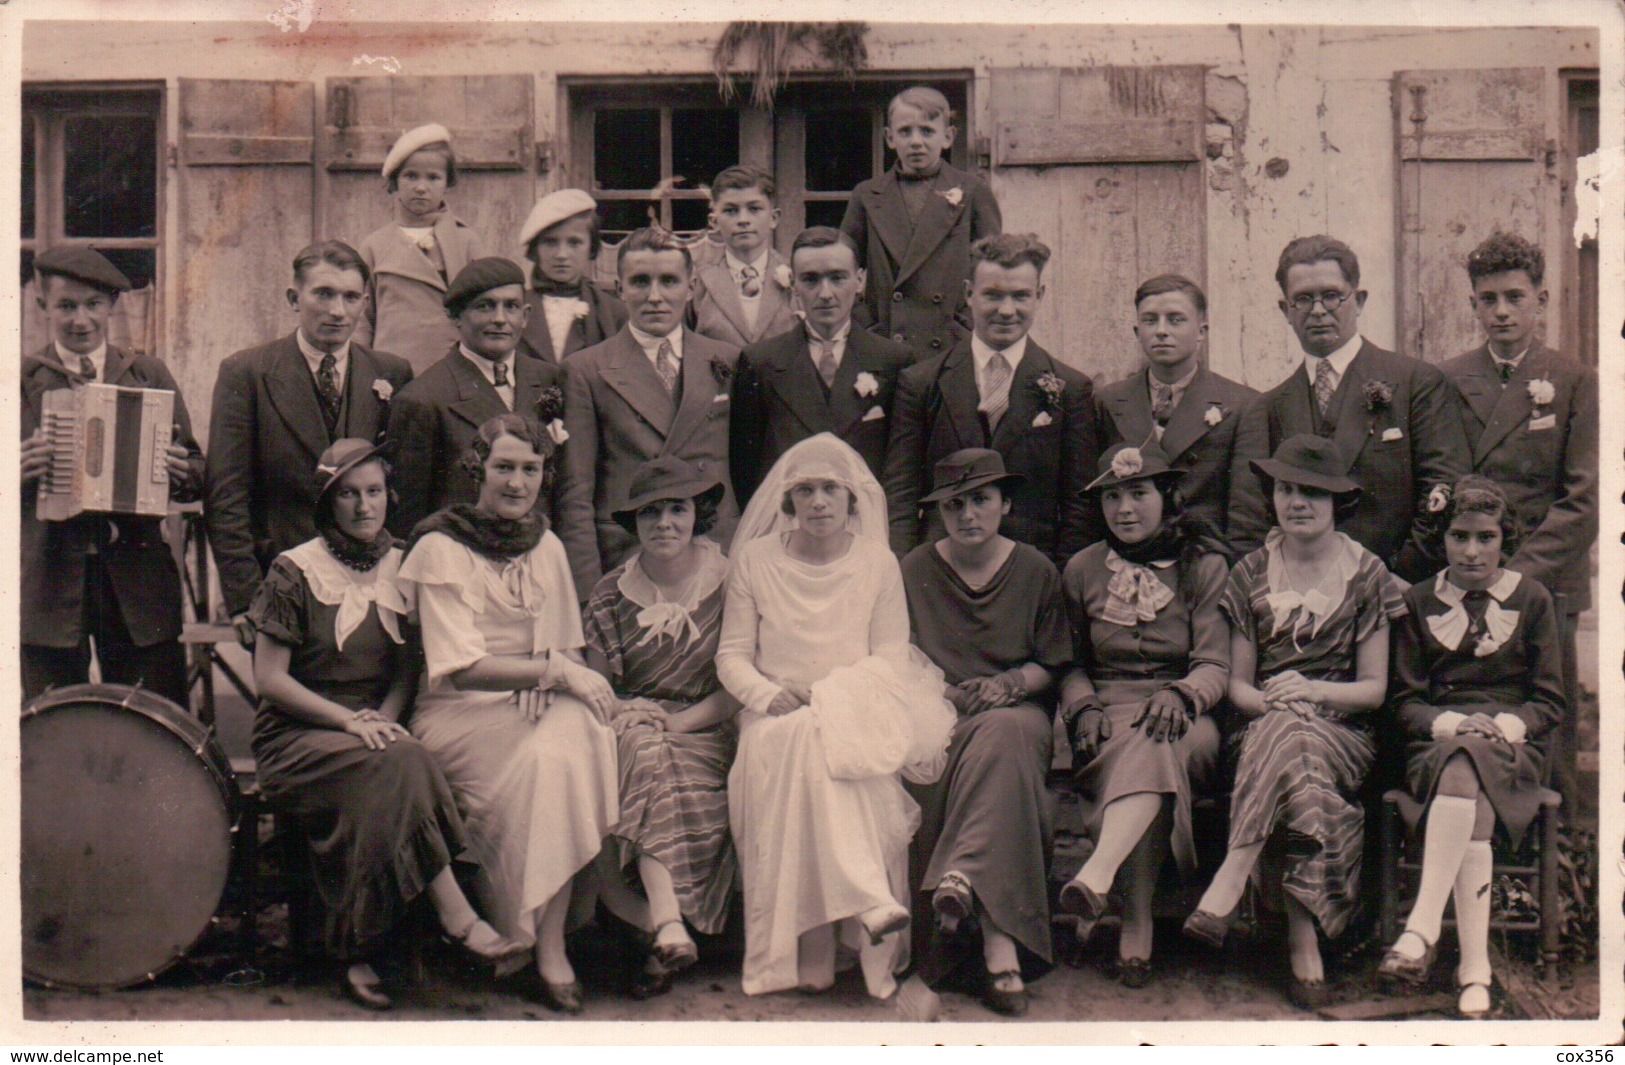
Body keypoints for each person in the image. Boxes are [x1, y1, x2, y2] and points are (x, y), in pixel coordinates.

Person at [247, 438, 522, 1010]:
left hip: (376, 730)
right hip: (299, 732)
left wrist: (386, 719)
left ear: (388, 497)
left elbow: (407, 669)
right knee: (400, 761)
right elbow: (270, 680)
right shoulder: (294, 569)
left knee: (395, 764)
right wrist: (352, 722)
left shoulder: (404, 562)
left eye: (373, 492)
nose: (363, 506)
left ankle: (359, 949)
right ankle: (456, 915)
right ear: (327, 502)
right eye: (347, 495)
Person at [395, 413, 620, 1014]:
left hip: (533, 697)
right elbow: (459, 667)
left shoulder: (544, 543)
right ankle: (531, 940)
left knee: (575, 736)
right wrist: (551, 672)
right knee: (552, 754)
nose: (517, 483)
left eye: (530, 469)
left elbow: (564, 646)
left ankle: (545, 943)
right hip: (458, 712)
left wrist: (552, 674)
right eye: (503, 468)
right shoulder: (440, 545)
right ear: (478, 469)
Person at [717, 433, 955, 999]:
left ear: (853, 501)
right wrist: (767, 695)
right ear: (788, 501)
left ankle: (817, 950)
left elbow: (890, 654)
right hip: (773, 710)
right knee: (800, 737)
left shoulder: (877, 562)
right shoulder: (754, 560)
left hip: (858, 702)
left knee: (823, 740)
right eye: (806, 491)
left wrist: (830, 696)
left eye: (831, 490)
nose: (819, 502)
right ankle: (863, 903)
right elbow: (731, 655)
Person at [1182, 434, 1405, 1010]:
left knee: (1299, 737)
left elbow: (1375, 691)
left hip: (1345, 731)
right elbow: (1237, 686)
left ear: (1338, 503)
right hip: (1261, 728)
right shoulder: (1250, 571)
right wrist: (1278, 705)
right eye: (1285, 490)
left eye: (1312, 492)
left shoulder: (1367, 574)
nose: (1296, 502)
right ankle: (1304, 942)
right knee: (1289, 739)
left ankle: (1234, 875)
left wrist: (1311, 690)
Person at [1378, 476, 1566, 1019]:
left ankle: (1422, 929)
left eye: (1485, 537)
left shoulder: (1532, 599)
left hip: (1514, 741)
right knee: (1462, 765)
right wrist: (1455, 723)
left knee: (1469, 766)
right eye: (1459, 536)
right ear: (1443, 540)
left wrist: (1499, 725)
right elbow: (1405, 703)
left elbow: (1550, 701)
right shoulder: (1418, 602)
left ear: (1504, 539)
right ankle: (1474, 970)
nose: (1472, 551)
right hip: (1436, 741)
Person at [898, 449, 1071, 1016]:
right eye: (955, 503)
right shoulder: (914, 570)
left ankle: (964, 886)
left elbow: (1053, 662)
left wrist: (1011, 684)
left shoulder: (1036, 570)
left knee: (1006, 735)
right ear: (939, 512)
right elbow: (895, 657)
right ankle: (1000, 948)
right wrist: (945, 692)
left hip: (1016, 713)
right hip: (937, 713)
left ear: (1005, 503)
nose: (968, 514)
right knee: (982, 749)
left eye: (981, 500)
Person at [1055, 441, 1230, 989]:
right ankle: (1132, 917)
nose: (1125, 509)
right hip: (1105, 715)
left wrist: (1181, 695)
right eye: (1112, 497)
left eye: (1138, 493)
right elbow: (1070, 664)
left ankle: (1111, 891)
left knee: (1157, 739)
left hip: (1185, 716)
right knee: (1146, 752)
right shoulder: (1083, 569)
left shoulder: (1203, 565)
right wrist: (1081, 704)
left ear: (1167, 497)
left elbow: (1215, 663)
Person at [1440, 232, 1596, 809]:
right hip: (1471, 570)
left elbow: (1585, 497)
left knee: (1545, 708)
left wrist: (1521, 576)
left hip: (1545, 579)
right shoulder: (1451, 379)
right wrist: (1476, 565)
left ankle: (1553, 845)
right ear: (1474, 304)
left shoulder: (1575, 380)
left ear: (1542, 299)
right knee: (1472, 701)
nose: (1501, 312)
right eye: (1488, 299)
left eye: (1514, 297)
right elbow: (1446, 477)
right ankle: (1476, 827)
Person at [582, 457, 741, 999]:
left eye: (678, 509)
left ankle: (660, 925)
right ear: (635, 523)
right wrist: (633, 710)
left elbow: (737, 685)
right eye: (650, 513)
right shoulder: (610, 594)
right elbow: (601, 691)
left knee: (660, 751)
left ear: (699, 514)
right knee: (645, 747)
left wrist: (678, 722)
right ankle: (665, 922)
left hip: (709, 724)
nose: (665, 523)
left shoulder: (731, 585)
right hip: (635, 726)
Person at [207, 241, 415, 643]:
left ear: (364, 303)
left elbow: (402, 488)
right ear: (294, 297)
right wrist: (245, 600)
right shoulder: (247, 373)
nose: (337, 311)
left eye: (350, 297)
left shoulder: (391, 372)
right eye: (323, 294)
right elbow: (226, 494)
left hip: (373, 586)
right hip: (284, 585)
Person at [20, 247, 202, 706]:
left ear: (112, 307)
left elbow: (199, 471)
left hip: (137, 580)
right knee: (52, 722)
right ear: (42, 307)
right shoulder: (20, 381)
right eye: (66, 306)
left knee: (155, 715)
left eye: (93, 305)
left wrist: (181, 471)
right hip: (48, 580)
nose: (81, 320)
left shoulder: (146, 373)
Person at [1241, 235, 1470, 583]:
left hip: (1398, 591)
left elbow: (1443, 487)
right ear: (1286, 311)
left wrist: (1393, 579)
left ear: (1358, 300)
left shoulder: (1415, 382)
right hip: (1303, 599)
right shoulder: (1270, 407)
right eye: (1303, 299)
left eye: (1331, 296)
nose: (1318, 310)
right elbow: (1257, 514)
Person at [884, 233, 1099, 570]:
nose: (1006, 310)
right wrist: (904, 573)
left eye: (1020, 296)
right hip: (941, 570)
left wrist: (1059, 582)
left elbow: (1078, 506)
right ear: (969, 293)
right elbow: (901, 495)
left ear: (1039, 296)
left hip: (1031, 572)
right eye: (993, 295)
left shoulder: (1071, 388)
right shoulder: (922, 383)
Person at [559, 227, 740, 600]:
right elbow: (576, 490)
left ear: (690, 288)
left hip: (717, 549)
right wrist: (588, 591)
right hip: (628, 554)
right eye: (640, 282)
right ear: (619, 288)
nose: (655, 297)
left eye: (669, 281)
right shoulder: (587, 369)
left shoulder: (727, 359)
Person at [729, 227, 915, 503]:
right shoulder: (760, 362)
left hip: (866, 525)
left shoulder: (893, 360)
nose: (825, 293)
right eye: (811, 280)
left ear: (860, 280)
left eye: (838, 278)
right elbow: (746, 469)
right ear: (793, 284)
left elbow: (903, 472)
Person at [386, 257, 564, 539]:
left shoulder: (551, 380)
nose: (500, 319)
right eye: (485, 306)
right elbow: (407, 517)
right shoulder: (424, 398)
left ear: (526, 316)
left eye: (511, 306)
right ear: (456, 317)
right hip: (463, 560)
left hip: (539, 556)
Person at [1095, 274, 1269, 552]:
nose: (1161, 331)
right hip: (1128, 563)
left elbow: (1247, 515)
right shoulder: (1110, 400)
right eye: (1150, 320)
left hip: (1205, 561)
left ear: (1202, 331)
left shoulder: (1242, 404)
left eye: (1176, 320)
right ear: (1136, 331)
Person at [840, 85, 1002, 359]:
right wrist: (867, 324)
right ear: (889, 138)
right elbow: (842, 266)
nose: (916, 141)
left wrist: (965, 325)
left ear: (948, 137)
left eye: (927, 131)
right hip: (886, 342)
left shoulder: (973, 191)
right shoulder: (867, 195)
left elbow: (994, 271)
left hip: (951, 343)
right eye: (905, 131)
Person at [353, 123, 489, 375]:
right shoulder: (375, 245)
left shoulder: (467, 242)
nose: (421, 187)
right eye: (411, 176)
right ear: (394, 181)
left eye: (433, 177)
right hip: (391, 369)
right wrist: (362, 371)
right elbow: (361, 319)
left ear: (448, 183)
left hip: (453, 369)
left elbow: (484, 310)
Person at [688, 166, 799, 349]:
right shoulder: (699, 280)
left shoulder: (796, 277)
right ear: (714, 221)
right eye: (731, 211)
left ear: (774, 218)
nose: (743, 220)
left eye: (754, 209)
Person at [515, 188, 628, 366]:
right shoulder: (514, 308)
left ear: (591, 247)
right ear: (535, 249)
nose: (562, 254)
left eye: (574, 243)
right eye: (550, 242)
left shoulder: (613, 312)